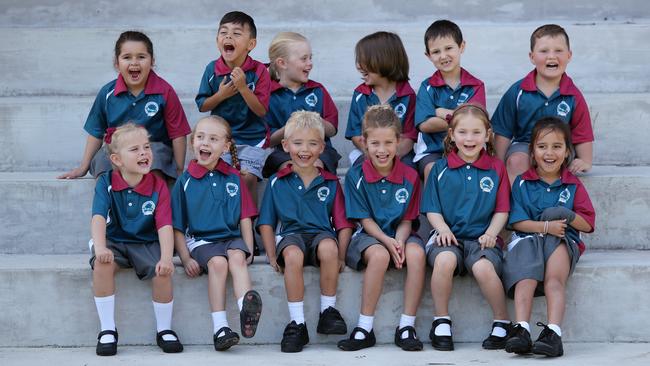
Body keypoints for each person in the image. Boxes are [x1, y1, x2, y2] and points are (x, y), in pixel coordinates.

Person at [258, 111, 353, 352]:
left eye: (312, 143)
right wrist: (270, 254)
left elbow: (342, 224)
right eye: (298, 143)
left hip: (321, 234)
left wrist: (341, 256)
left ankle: (327, 311)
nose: (305, 149)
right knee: (292, 255)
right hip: (291, 236)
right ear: (285, 145)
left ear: (322, 147)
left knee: (329, 247)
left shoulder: (330, 182)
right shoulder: (277, 182)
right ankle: (297, 323)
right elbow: (267, 222)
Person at [502, 117, 595, 357]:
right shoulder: (523, 182)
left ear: (567, 152)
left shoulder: (572, 185)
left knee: (554, 281)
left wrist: (567, 215)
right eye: (542, 146)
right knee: (526, 281)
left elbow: (587, 224)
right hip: (528, 238)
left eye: (557, 146)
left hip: (561, 241)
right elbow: (516, 222)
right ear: (532, 151)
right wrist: (545, 226)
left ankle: (553, 334)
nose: (549, 153)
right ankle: (521, 329)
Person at [421, 104, 511, 351]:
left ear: (487, 135)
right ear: (451, 134)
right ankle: (441, 321)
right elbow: (432, 208)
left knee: (483, 268)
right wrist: (442, 229)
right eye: (462, 132)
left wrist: (492, 233)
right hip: (448, 236)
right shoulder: (439, 168)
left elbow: (502, 209)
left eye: (475, 132)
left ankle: (502, 322)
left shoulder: (496, 168)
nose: (469, 139)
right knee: (444, 261)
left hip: (482, 238)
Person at [89, 123, 183, 356]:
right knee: (102, 265)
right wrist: (100, 247)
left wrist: (166, 258)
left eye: (146, 147)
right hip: (115, 240)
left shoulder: (158, 185)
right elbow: (98, 217)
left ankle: (164, 329)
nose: (144, 153)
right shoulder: (106, 182)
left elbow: (164, 225)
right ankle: (108, 329)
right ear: (117, 160)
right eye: (135, 149)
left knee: (161, 271)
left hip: (145, 242)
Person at [171, 116, 262, 351]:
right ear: (192, 142)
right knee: (219, 264)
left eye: (213, 139)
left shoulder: (233, 176)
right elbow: (177, 226)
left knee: (238, 257)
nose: (205, 143)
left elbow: (244, 216)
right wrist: (185, 257)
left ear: (226, 146)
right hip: (200, 240)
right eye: (200, 137)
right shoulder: (185, 181)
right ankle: (220, 327)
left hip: (230, 237)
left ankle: (246, 308)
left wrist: (249, 247)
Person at [339, 105, 426, 352]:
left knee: (417, 254)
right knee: (378, 255)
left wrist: (398, 241)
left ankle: (407, 325)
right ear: (364, 143)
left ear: (398, 142)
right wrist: (388, 244)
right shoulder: (356, 175)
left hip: (401, 232)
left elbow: (407, 220)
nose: (382, 150)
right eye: (375, 143)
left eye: (388, 142)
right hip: (369, 235)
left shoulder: (410, 176)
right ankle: (364, 327)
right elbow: (364, 221)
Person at [59, 31, 190, 181]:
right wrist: (83, 167)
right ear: (117, 63)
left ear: (152, 61)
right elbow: (96, 131)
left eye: (141, 57)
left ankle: (152, 202)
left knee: (156, 159)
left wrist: (179, 170)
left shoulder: (164, 92)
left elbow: (178, 133)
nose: (134, 62)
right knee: (102, 160)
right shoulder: (108, 93)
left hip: (152, 147)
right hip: (117, 148)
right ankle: (110, 202)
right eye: (127, 57)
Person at [492, 24, 594, 182]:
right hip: (525, 145)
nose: (551, 56)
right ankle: (517, 204)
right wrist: (498, 163)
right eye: (544, 51)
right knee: (516, 162)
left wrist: (586, 160)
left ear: (569, 55)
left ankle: (548, 199)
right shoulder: (518, 92)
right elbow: (503, 131)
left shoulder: (573, 95)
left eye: (558, 51)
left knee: (555, 162)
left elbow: (582, 132)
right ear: (532, 57)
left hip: (559, 148)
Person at [195, 11, 271, 203]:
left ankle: (249, 223)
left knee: (247, 177)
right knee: (217, 175)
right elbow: (202, 105)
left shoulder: (259, 70)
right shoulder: (212, 69)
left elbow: (261, 110)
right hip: (221, 139)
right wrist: (221, 95)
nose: (228, 36)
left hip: (252, 138)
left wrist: (244, 88)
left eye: (237, 33)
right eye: (224, 32)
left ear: (251, 44)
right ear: (217, 40)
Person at [413, 20, 486, 183]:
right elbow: (424, 125)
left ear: (461, 46)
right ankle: (431, 209)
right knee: (433, 169)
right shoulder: (427, 87)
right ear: (428, 55)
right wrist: (461, 118)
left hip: (469, 148)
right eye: (436, 51)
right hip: (433, 152)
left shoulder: (476, 85)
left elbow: (476, 122)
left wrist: (442, 113)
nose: (443, 56)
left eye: (449, 48)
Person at [262, 32, 341, 177]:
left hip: (319, 151)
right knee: (291, 168)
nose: (310, 63)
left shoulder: (317, 90)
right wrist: (291, 127)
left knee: (313, 166)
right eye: (304, 59)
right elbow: (268, 140)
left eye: (310, 58)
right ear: (282, 63)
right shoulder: (269, 95)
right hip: (285, 152)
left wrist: (314, 120)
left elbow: (332, 130)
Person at [344, 31, 417, 167]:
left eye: (363, 60)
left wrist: (391, 156)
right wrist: (375, 154)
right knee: (361, 169)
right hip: (367, 151)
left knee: (409, 169)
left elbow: (409, 137)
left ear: (384, 60)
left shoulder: (407, 95)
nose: (358, 65)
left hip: (399, 153)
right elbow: (355, 135)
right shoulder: (361, 94)